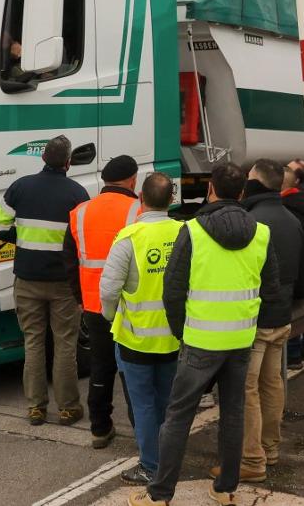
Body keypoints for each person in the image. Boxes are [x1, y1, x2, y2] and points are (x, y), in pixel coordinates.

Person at [129, 163, 279, 506]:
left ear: (211, 190)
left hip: (199, 340)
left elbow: (173, 289)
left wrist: (183, 331)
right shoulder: (261, 233)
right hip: (240, 340)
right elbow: (272, 289)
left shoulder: (193, 230)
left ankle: (160, 495)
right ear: (241, 193)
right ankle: (226, 490)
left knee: (178, 417)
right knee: (233, 414)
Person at [211, 158, 302, 483]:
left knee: (246, 388)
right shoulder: (292, 219)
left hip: (255, 318)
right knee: (272, 383)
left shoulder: (251, 222)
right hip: (282, 316)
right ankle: (270, 449)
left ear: (257, 184)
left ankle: (251, 460)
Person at [0, 135, 89, 426]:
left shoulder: (20, 187)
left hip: (28, 279)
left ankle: (36, 408)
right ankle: (69, 408)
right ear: (68, 163)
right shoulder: (77, 193)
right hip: (63, 283)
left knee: (33, 343)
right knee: (65, 344)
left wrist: (20, 240)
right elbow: (83, 238)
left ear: (42, 158)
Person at [100, 172, 181, 486]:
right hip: (174, 336)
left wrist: (111, 317)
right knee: (166, 402)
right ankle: (168, 458)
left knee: (144, 404)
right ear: (171, 199)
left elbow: (108, 291)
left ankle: (151, 465)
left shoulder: (129, 238)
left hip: (135, 339)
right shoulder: (185, 233)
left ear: (141, 200)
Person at [71, 154, 140, 448]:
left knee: (101, 365)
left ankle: (100, 427)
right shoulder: (139, 210)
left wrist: (79, 298)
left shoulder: (80, 211)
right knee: (133, 367)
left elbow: (68, 259)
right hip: (131, 303)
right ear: (133, 180)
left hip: (93, 303)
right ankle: (141, 427)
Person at [280, 159, 304, 369]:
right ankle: (301, 354)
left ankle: (292, 356)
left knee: (289, 314)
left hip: (292, 276)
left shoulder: (284, 211)